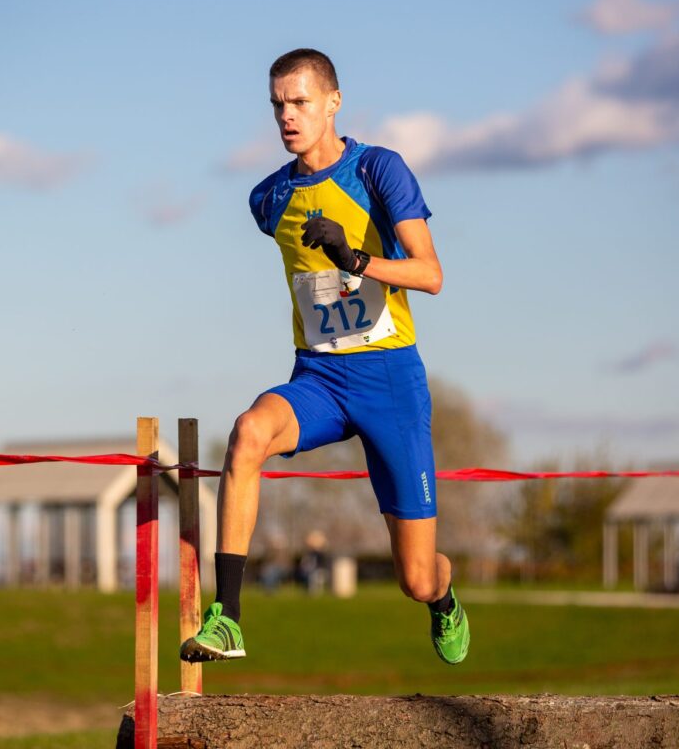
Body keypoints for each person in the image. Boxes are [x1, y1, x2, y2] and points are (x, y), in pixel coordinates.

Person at [179, 48, 469, 665]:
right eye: (278, 104)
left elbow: (431, 274)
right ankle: (228, 618)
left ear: (333, 103)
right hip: (319, 377)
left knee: (415, 578)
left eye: (301, 102)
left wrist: (356, 260)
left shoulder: (379, 171)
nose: (288, 116)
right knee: (248, 432)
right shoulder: (268, 199)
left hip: (389, 382)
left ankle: (444, 600)